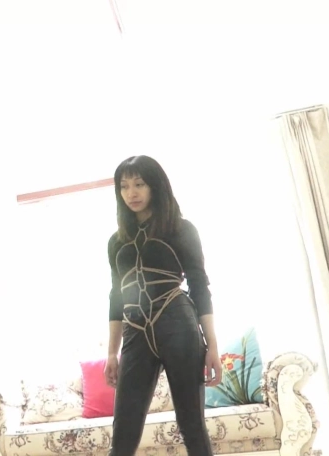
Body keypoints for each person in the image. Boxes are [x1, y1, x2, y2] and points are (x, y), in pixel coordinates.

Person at [104, 155, 222, 456]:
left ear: (155, 186)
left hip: (178, 325)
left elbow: (199, 286)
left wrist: (212, 346)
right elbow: (116, 297)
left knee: (191, 424)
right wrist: (111, 353)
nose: (131, 193)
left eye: (139, 184)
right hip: (135, 331)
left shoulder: (180, 229)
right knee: (124, 431)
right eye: (124, 186)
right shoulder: (116, 242)